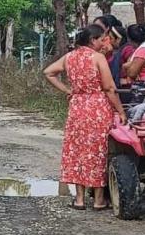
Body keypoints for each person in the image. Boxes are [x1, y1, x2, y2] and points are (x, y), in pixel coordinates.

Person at [45, 25, 125, 210]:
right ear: (93, 40)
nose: (104, 42)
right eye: (101, 39)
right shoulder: (98, 58)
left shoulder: (70, 56)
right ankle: (98, 200)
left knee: (76, 151)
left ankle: (79, 199)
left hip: (77, 107)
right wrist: (120, 111)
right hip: (97, 108)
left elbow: (49, 72)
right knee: (97, 152)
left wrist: (68, 90)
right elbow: (109, 88)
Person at [93, 14, 126, 87]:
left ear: (107, 28)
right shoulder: (95, 39)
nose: (95, 28)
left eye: (98, 26)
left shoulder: (109, 41)